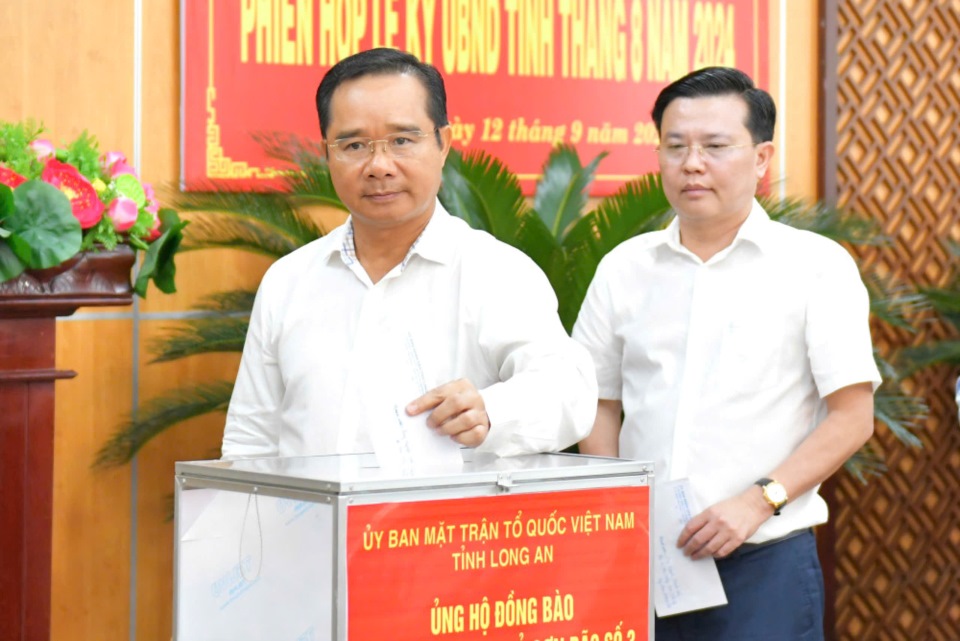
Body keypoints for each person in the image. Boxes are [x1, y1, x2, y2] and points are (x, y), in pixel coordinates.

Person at [573, 67, 881, 640]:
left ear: (761, 158)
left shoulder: (815, 266)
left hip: (764, 562)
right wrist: (618, 501)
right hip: (644, 558)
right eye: (675, 146)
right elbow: (598, 400)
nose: (692, 163)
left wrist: (759, 501)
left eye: (715, 147)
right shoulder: (624, 268)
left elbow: (852, 415)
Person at [221, 48, 597, 460]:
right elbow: (251, 437)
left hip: (443, 524)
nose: (379, 165)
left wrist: (493, 413)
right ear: (327, 153)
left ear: (443, 144)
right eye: (354, 145)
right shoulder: (288, 280)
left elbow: (568, 390)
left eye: (402, 140)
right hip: (306, 525)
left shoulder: (496, 272)